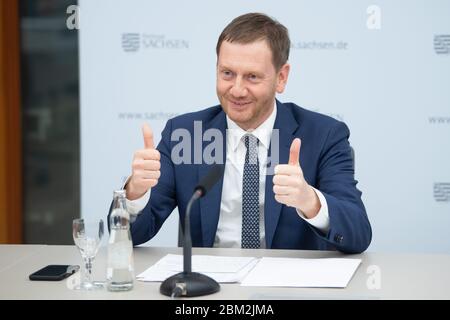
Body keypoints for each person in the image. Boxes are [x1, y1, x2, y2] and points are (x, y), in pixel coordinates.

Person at [116, 13, 372, 253]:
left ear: (281, 78)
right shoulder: (184, 134)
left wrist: (310, 201)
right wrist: (136, 192)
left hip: (288, 287)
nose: (237, 90)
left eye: (252, 77)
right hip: (209, 288)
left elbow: (359, 233)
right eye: (227, 73)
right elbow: (131, 236)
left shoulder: (323, 134)